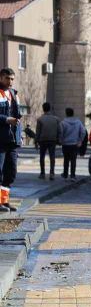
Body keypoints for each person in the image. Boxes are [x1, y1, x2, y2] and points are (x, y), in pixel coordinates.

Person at [0, 68, 21, 212]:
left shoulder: (14, 94)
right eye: (7, 78)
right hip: (0, 140)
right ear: (1, 78)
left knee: (11, 171)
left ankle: (4, 201)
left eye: (12, 79)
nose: (10, 82)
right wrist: (7, 119)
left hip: (13, 141)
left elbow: (17, 116)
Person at [35, 102, 61, 180]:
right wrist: (59, 139)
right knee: (52, 157)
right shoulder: (56, 119)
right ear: (50, 108)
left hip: (42, 140)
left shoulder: (40, 119)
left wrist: (36, 141)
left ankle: (42, 173)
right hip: (52, 140)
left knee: (42, 157)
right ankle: (52, 173)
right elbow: (59, 130)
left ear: (43, 109)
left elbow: (38, 132)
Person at [60, 108, 87, 181]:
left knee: (66, 160)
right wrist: (80, 140)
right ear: (73, 113)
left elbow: (61, 133)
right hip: (74, 144)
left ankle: (65, 174)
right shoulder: (78, 122)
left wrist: (61, 140)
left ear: (66, 113)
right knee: (73, 160)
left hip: (65, 144)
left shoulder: (63, 123)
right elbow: (83, 132)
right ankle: (72, 175)